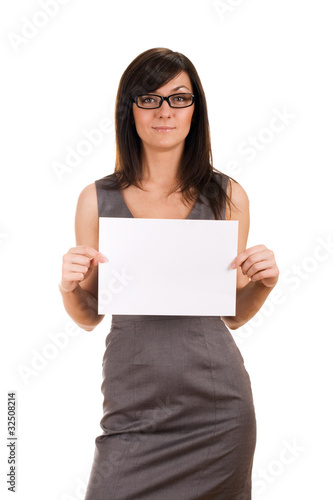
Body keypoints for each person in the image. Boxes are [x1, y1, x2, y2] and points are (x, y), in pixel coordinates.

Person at [59, 47, 279, 500]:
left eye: (179, 98)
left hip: (217, 413)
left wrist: (264, 283)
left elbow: (232, 315)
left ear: (195, 109)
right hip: (131, 411)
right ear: (130, 110)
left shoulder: (227, 195)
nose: (165, 111)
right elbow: (88, 315)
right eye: (150, 98)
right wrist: (69, 284)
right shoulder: (95, 199)